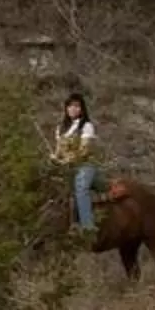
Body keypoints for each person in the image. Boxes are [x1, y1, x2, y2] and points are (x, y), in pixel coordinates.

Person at [54, 90, 102, 232]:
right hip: (65, 167)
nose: (73, 109)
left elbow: (84, 151)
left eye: (76, 106)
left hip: (84, 165)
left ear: (82, 109)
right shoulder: (61, 128)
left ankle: (88, 226)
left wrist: (69, 159)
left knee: (80, 187)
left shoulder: (86, 126)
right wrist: (55, 158)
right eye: (70, 106)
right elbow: (58, 151)